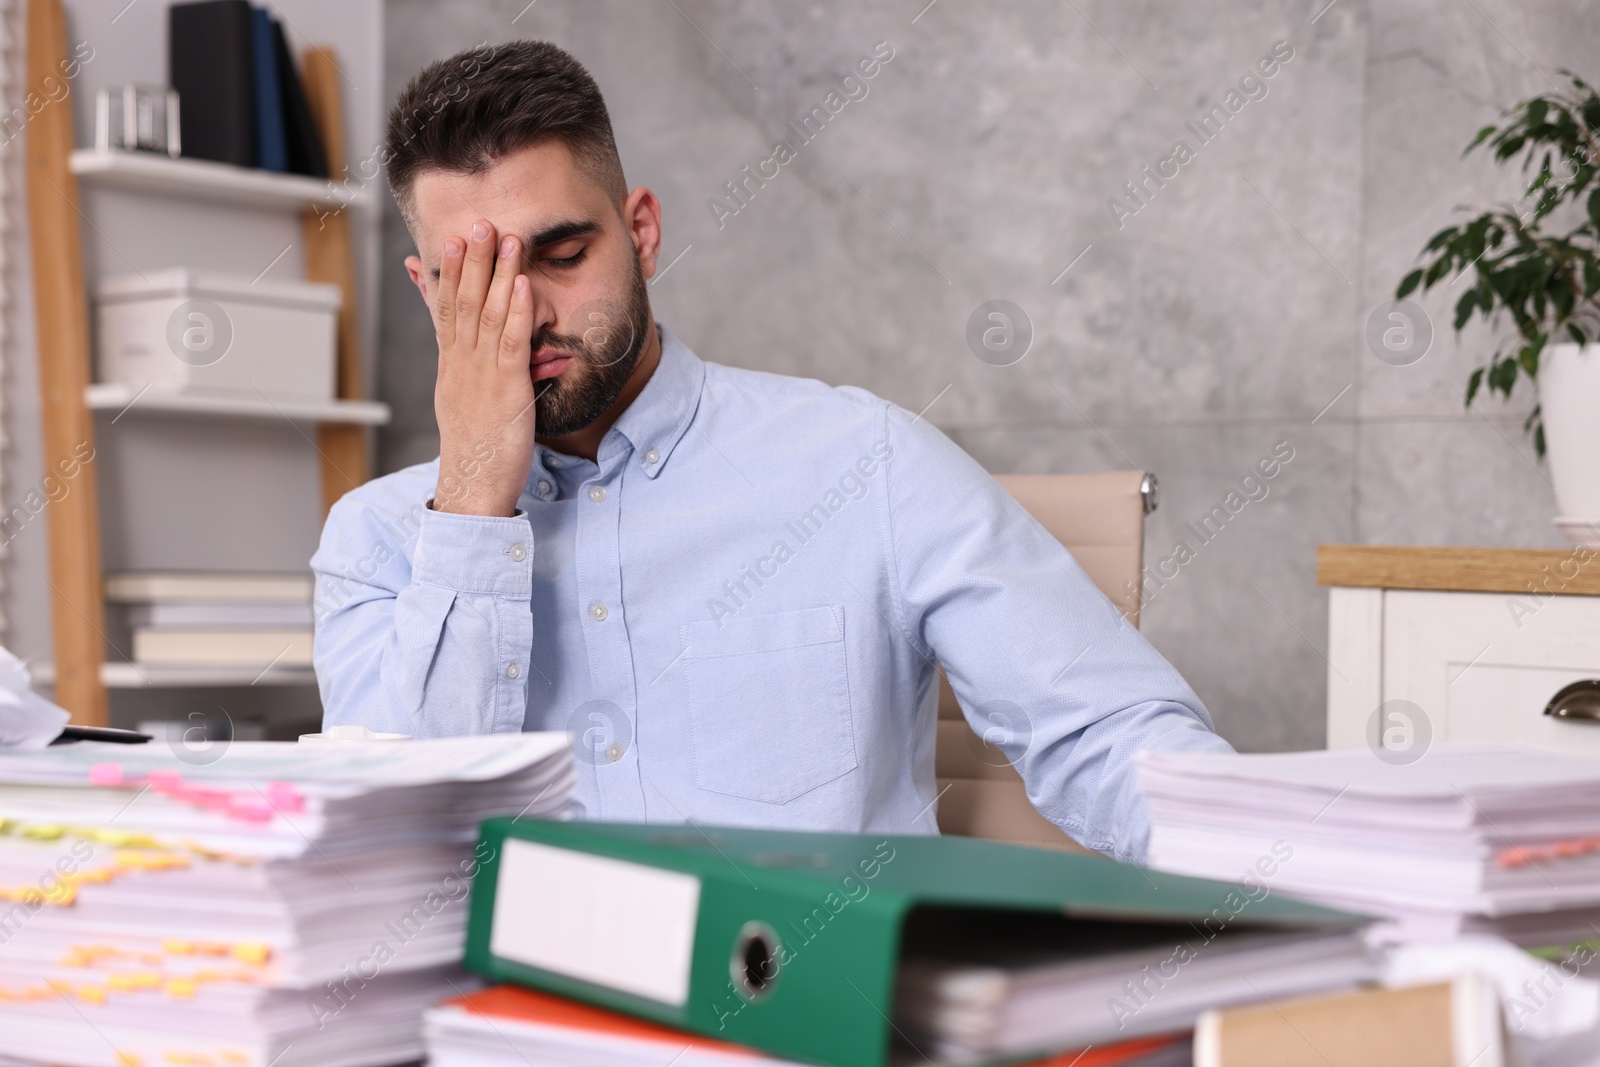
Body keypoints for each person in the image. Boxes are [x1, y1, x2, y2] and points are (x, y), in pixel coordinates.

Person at [311, 39, 1234, 863]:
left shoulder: (864, 463)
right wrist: (475, 495)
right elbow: (393, 859)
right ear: (426, 289)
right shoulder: (377, 543)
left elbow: (1107, 731)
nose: (530, 316)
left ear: (641, 232)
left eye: (561, 254)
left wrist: (1301, 889)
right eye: (475, 279)